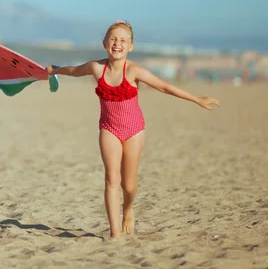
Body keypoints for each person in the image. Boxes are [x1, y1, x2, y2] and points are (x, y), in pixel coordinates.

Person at [46, 20, 220, 240]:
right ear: (104, 43)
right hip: (108, 128)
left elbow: (165, 87)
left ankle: (128, 209)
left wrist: (196, 99)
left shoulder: (134, 71)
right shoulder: (96, 68)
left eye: (123, 40)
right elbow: (73, 70)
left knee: (129, 185)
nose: (117, 44)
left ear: (131, 46)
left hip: (134, 130)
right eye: (113, 39)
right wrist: (55, 70)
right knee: (111, 179)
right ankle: (114, 232)